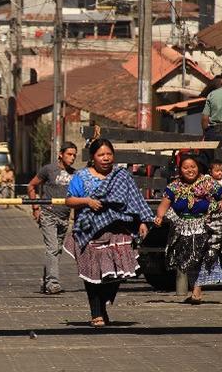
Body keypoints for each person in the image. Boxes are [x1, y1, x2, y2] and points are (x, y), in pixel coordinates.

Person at [64, 139, 153, 327]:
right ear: (92, 158)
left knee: (117, 272)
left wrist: (143, 221)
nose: (105, 158)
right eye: (101, 155)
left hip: (118, 230)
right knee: (93, 273)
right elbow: (70, 200)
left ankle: (103, 303)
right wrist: (87, 201)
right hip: (90, 232)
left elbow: (136, 200)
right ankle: (96, 312)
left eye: (109, 154)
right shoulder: (81, 176)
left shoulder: (122, 176)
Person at [154, 155, 222, 305]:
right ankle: (195, 288)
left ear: (199, 168)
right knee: (187, 259)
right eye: (186, 167)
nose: (190, 170)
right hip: (183, 227)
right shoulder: (174, 186)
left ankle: (197, 291)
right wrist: (160, 217)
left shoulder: (208, 183)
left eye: (193, 167)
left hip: (204, 225)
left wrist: (218, 208)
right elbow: (164, 204)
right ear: (180, 170)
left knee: (200, 257)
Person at [27, 142, 77, 295]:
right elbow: (31, 186)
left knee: (55, 251)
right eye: (69, 154)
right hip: (48, 214)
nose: (72, 158)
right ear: (61, 154)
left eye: (74, 155)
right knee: (53, 248)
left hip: (64, 217)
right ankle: (53, 283)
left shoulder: (75, 174)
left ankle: (45, 282)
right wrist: (35, 208)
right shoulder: (49, 169)